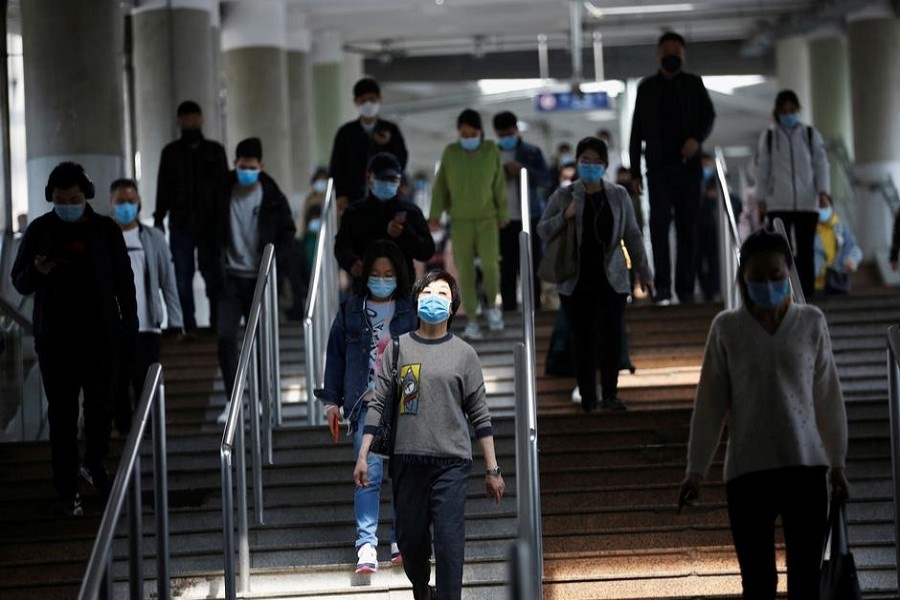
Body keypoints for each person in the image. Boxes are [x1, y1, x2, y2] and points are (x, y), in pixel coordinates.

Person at [679, 229, 849, 599]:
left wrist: (837, 461)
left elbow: (827, 396)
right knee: (758, 583)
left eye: (776, 277)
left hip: (805, 468)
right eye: (758, 279)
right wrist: (696, 469)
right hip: (747, 473)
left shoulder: (811, 323)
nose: (768, 285)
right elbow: (710, 402)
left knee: (805, 580)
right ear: (743, 279)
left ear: (789, 273)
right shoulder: (727, 329)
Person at [354, 269, 505, 600]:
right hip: (408, 461)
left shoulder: (465, 354)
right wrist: (364, 454)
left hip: (452, 464)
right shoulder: (398, 349)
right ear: (416, 300)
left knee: (450, 542)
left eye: (442, 294)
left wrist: (492, 470)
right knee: (410, 541)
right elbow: (378, 404)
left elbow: (480, 413)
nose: (433, 299)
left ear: (453, 307)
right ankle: (421, 588)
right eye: (427, 293)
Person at [11, 162, 138, 514]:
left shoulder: (105, 230)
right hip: (56, 341)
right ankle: (67, 489)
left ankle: (94, 465)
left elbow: (124, 282)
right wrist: (37, 270)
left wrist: (130, 325)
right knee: (62, 417)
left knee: (101, 410)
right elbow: (19, 280)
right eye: (61, 199)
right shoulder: (39, 231)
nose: (68, 204)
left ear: (87, 196)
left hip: (102, 337)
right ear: (51, 198)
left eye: (75, 198)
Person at [315, 240, 416, 573]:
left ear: (398, 275)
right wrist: (331, 403)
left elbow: (421, 358)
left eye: (388, 274)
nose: (382, 279)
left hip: (402, 404)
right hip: (364, 405)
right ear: (366, 274)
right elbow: (336, 358)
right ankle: (367, 546)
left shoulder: (408, 311)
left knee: (403, 474)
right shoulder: (350, 311)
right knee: (368, 475)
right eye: (375, 273)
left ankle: (402, 538)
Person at [538, 137, 654, 413]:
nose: (590, 166)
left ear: (605, 165)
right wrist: (565, 216)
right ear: (577, 163)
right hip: (576, 281)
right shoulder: (564, 195)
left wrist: (644, 272)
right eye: (584, 161)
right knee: (583, 340)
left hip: (612, 279)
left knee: (611, 338)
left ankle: (611, 395)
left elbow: (633, 235)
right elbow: (543, 229)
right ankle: (589, 398)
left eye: (596, 162)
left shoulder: (618, 195)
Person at [206, 138, 296, 418]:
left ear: (261, 166)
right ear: (235, 164)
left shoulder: (271, 195)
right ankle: (234, 400)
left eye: (252, 167)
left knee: (256, 340)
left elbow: (287, 233)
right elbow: (207, 237)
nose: (247, 171)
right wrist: (210, 274)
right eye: (243, 166)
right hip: (229, 277)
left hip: (259, 279)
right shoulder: (221, 193)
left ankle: (258, 399)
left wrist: (272, 264)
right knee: (224, 337)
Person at [629, 31, 716, 305]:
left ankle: (686, 289)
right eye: (667, 51)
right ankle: (662, 287)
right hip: (657, 170)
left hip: (688, 169)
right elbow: (636, 132)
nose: (671, 56)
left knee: (687, 229)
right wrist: (634, 171)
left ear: (683, 55)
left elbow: (708, 116)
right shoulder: (646, 88)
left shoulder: (694, 83)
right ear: (658, 54)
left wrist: (696, 140)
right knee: (658, 226)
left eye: (676, 52)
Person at [109, 178, 184, 435]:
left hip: (148, 325)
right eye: (121, 201)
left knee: (145, 385)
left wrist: (176, 320)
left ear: (139, 202)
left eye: (131, 201)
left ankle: (148, 436)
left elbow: (168, 281)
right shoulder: (104, 238)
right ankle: (125, 434)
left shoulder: (153, 238)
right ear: (111, 204)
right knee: (117, 385)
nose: (127, 206)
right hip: (113, 327)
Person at [429, 109, 508, 339]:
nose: (468, 137)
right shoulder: (451, 153)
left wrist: (503, 214)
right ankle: (472, 317)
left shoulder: (491, 150)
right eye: (464, 133)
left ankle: (492, 306)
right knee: (465, 270)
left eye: (473, 133)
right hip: (460, 220)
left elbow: (499, 185)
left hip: (488, 219)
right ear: (458, 133)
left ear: (480, 132)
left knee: (491, 265)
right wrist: (434, 215)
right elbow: (441, 185)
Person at [153, 100, 229, 332]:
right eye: (185, 118)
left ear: (201, 118)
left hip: (211, 226)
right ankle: (189, 326)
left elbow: (224, 189)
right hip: (181, 224)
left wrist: (225, 223)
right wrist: (159, 219)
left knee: (213, 276)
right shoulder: (171, 153)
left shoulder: (215, 152)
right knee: (182, 278)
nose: (190, 122)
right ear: (179, 122)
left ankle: (217, 324)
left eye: (193, 117)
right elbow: (163, 187)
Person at [755, 89, 830, 300]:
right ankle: (784, 293)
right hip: (779, 202)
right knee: (781, 251)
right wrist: (761, 199)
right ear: (777, 112)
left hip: (807, 202)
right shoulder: (769, 137)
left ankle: (808, 294)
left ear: (798, 110)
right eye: (784, 110)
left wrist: (823, 192)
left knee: (806, 250)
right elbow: (763, 169)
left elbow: (821, 164)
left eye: (791, 110)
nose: (788, 114)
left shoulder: (810, 134)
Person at [334, 152, 435, 292]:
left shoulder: (410, 212)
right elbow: (341, 246)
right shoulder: (355, 213)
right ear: (369, 178)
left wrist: (405, 233)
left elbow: (427, 250)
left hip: (401, 291)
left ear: (399, 181)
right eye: (382, 178)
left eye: (392, 180)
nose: (387, 184)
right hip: (364, 289)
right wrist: (351, 262)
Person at [492, 110, 550, 312]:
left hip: (529, 217)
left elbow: (546, 179)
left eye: (509, 133)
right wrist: (502, 173)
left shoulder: (531, 152)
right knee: (506, 268)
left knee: (532, 266)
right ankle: (508, 309)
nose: (506, 138)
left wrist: (523, 170)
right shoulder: (490, 155)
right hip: (502, 220)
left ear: (516, 129)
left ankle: (534, 309)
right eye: (501, 134)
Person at [329, 77, 409, 215]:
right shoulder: (346, 133)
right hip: (354, 196)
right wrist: (340, 194)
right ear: (356, 102)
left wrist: (388, 144)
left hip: (386, 195)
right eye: (363, 100)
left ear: (380, 99)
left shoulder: (391, 130)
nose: (368, 104)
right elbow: (337, 165)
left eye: (372, 99)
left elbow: (400, 161)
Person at [814, 194, 862, 294]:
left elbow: (854, 248)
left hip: (836, 283)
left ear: (831, 206)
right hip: (813, 285)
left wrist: (851, 260)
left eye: (824, 206)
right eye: (818, 206)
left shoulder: (840, 227)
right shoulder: (806, 228)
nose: (821, 209)